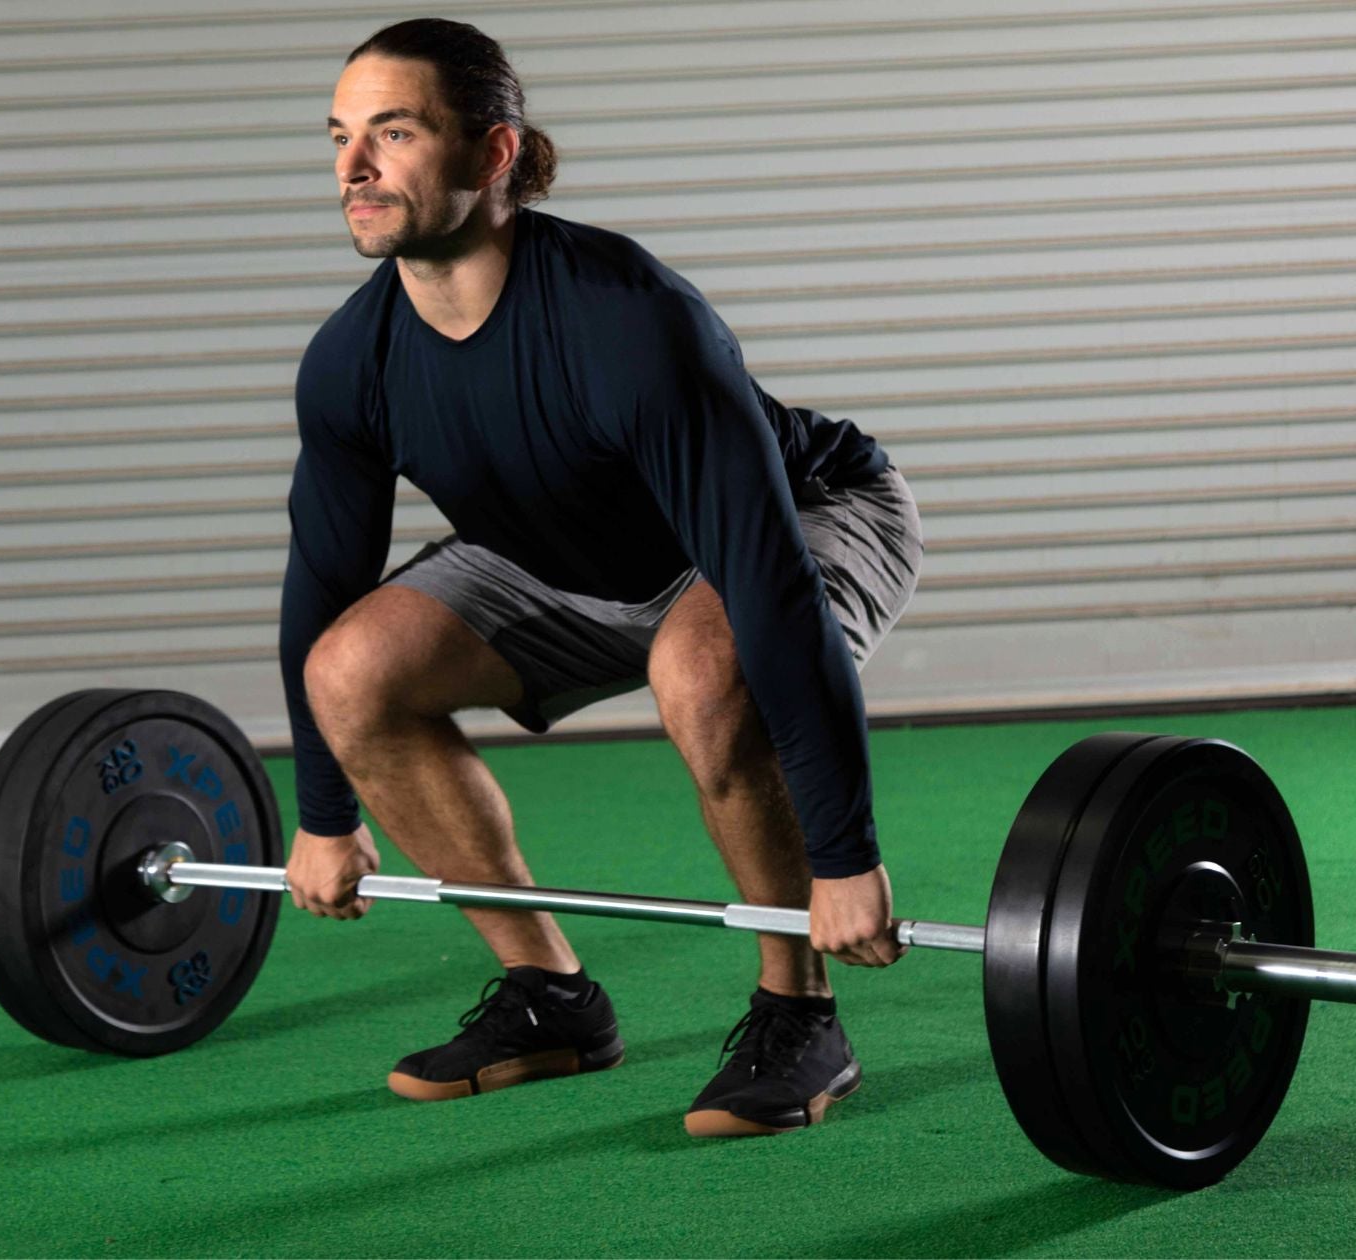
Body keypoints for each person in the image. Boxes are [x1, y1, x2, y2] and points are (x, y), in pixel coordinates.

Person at [278, 17, 922, 1137]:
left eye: (392, 131)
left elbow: (763, 580)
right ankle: (552, 1000)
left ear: (492, 156)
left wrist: (843, 856)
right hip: (562, 555)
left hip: (798, 516)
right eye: (339, 135)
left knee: (705, 670)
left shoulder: (625, 321)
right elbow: (320, 585)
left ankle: (796, 1010)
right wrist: (322, 816)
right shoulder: (351, 361)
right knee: (352, 671)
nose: (354, 166)